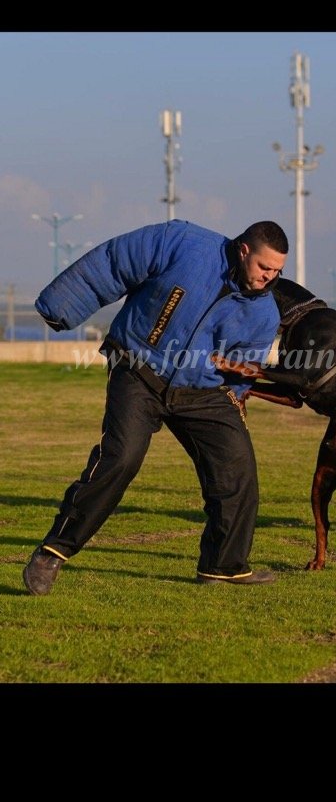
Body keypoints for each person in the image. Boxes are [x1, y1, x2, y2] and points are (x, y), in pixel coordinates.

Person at [23, 218, 288, 594]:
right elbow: (116, 261)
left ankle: (223, 565)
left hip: (201, 391)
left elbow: (243, 366)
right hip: (138, 367)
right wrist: (61, 306)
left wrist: (235, 390)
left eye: (278, 271)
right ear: (244, 250)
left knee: (237, 468)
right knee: (122, 458)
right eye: (265, 267)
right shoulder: (183, 242)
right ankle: (53, 552)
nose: (269, 277)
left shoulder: (264, 311)